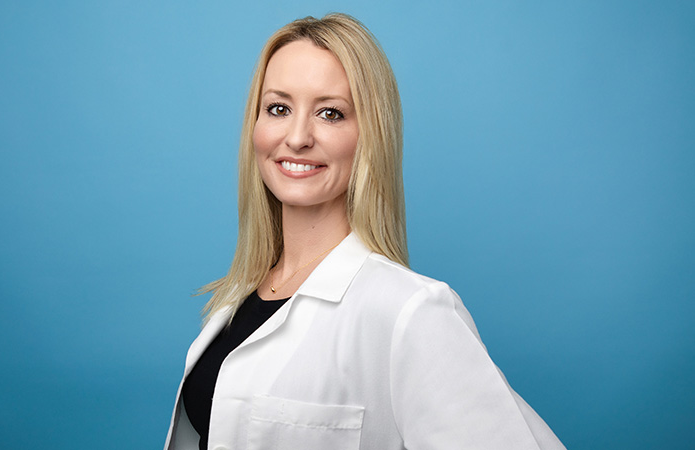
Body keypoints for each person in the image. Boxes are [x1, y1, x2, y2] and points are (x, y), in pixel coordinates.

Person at [165, 13, 565, 450]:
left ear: (369, 135)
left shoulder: (410, 312)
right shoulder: (241, 295)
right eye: (278, 108)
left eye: (330, 113)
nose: (297, 137)